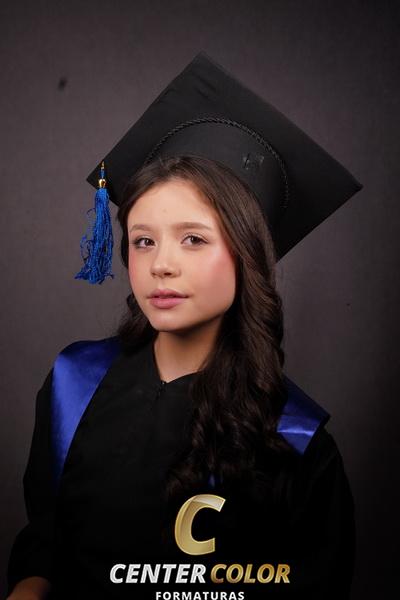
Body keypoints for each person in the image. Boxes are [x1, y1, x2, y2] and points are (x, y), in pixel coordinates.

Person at [6, 53, 362, 600]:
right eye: (143, 240)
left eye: (193, 239)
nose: (161, 264)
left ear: (247, 256)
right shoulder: (74, 385)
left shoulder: (297, 441)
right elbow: (45, 540)